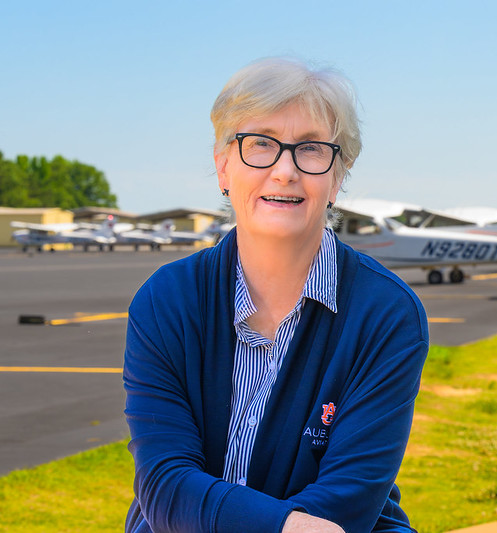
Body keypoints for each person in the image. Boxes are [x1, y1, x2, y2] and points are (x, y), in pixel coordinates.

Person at [123, 57, 429, 533]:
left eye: (310, 149)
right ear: (223, 167)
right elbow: (165, 484)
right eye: (260, 143)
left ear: (339, 175)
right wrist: (284, 526)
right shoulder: (165, 300)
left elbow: (349, 501)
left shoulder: (387, 314)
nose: (285, 170)